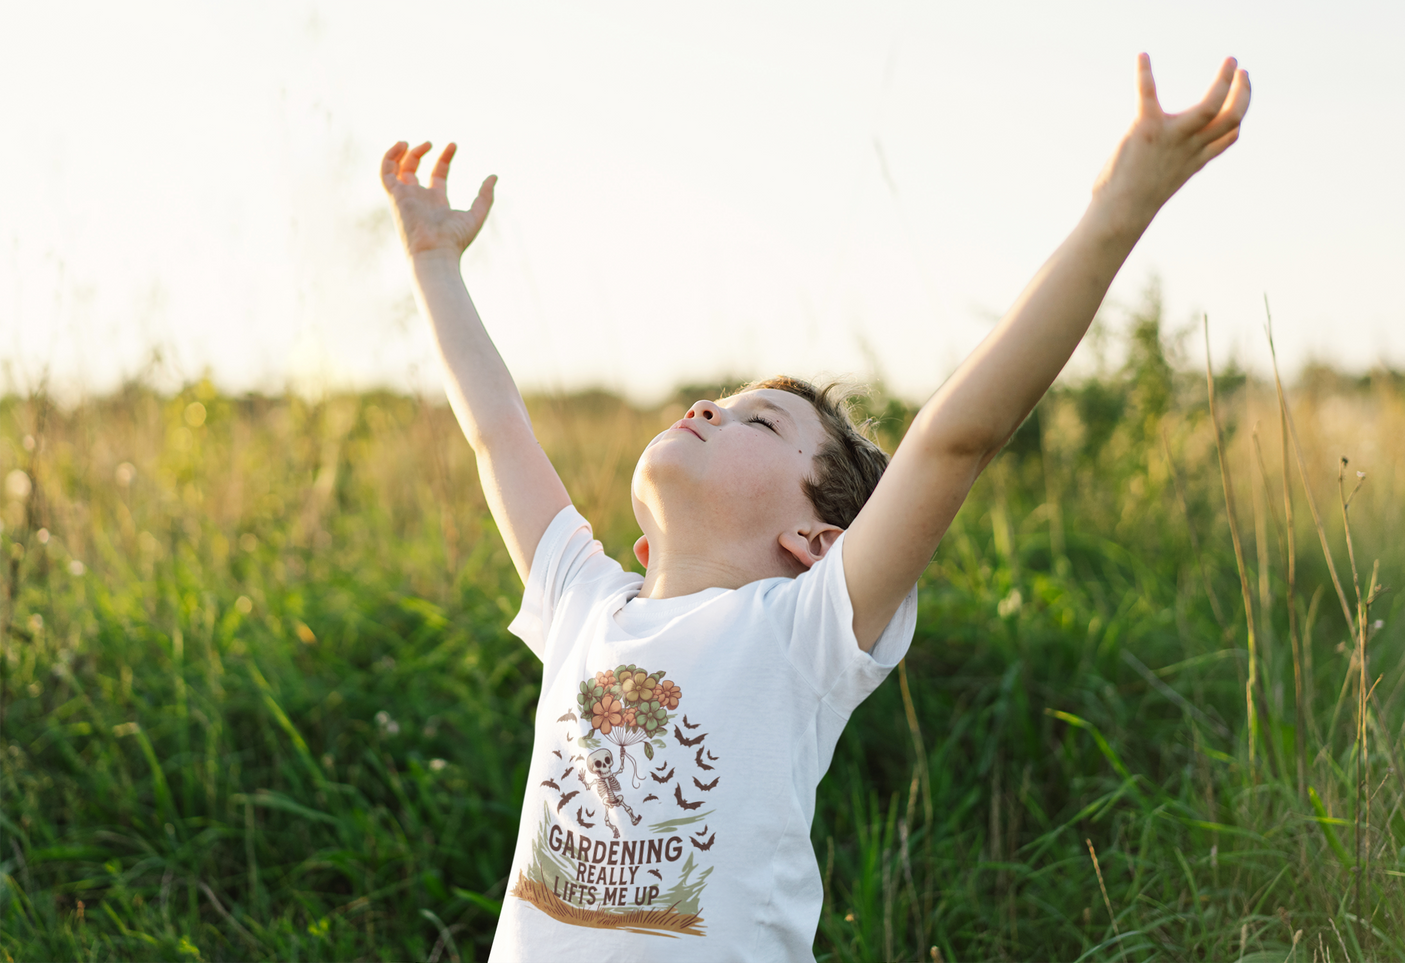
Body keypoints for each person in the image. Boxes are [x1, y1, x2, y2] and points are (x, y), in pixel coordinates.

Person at [381, 53, 1250, 960]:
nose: (707, 407)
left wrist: (1117, 210)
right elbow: (496, 432)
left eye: (758, 419)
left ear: (817, 538)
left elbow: (955, 440)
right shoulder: (582, 608)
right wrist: (433, 261)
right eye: (717, 401)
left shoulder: (800, 632)